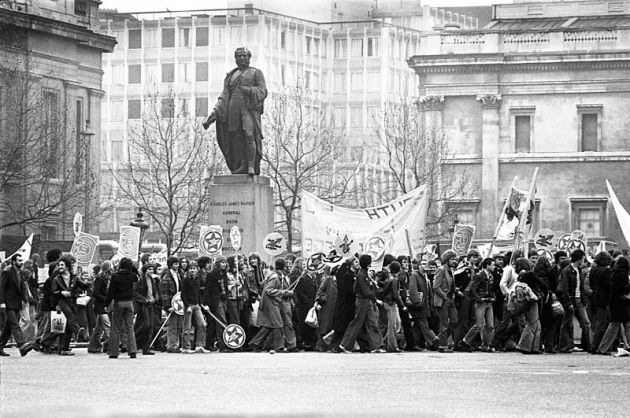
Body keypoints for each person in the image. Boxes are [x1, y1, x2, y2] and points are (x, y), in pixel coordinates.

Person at [202, 47, 267, 175]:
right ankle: (241, 164)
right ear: (235, 58)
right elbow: (224, 97)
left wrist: (248, 90)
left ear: (249, 57)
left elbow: (263, 91)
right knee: (235, 137)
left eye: (244, 56)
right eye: (239, 56)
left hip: (247, 108)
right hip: (233, 109)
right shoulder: (231, 75)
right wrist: (212, 116)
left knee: (249, 135)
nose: (242, 58)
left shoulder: (256, 73)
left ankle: (250, 165)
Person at [339, 254, 385, 354]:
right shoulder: (361, 275)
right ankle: (345, 345)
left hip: (366, 301)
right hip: (362, 300)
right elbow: (365, 290)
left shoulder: (363, 274)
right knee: (357, 322)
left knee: (372, 322)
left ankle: (376, 346)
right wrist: (375, 299)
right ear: (368, 263)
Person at [249, 258, 293, 352]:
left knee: (268, 325)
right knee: (278, 324)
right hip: (271, 303)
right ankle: (278, 347)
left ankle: (255, 343)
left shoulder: (274, 274)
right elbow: (269, 290)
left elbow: (263, 285)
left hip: (270, 302)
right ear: (284, 267)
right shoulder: (275, 277)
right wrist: (284, 292)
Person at [558, 249, 592, 353]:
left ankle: (587, 345)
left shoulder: (579, 270)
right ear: (579, 259)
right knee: (567, 324)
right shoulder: (567, 270)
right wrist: (568, 303)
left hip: (579, 300)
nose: (583, 260)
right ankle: (565, 346)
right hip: (572, 300)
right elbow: (564, 288)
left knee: (585, 322)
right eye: (582, 258)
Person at [0, 254, 34, 357]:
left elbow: (21, 287)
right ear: (14, 261)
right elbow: (1, 288)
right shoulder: (7, 272)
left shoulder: (20, 273)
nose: (21, 262)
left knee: (8, 328)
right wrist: (2, 302)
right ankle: (22, 345)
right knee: (15, 324)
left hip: (17, 303)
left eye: (22, 260)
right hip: (8, 303)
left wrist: (25, 299)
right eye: (19, 260)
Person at [461, 257, 496, 352]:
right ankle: (465, 341)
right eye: (493, 265)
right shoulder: (480, 275)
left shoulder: (490, 275)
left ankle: (485, 345)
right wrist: (479, 298)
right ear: (487, 265)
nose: (494, 267)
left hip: (488, 301)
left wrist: (493, 297)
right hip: (481, 302)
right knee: (478, 325)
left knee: (490, 325)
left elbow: (491, 289)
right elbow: (473, 288)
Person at [596, 256, 630, 354]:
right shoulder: (622, 274)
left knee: (617, 326)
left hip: (615, 303)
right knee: (617, 326)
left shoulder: (613, 273)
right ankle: (603, 348)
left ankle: (603, 348)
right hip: (621, 304)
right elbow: (622, 289)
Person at [105, 257, 138, 359]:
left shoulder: (115, 276)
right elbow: (137, 278)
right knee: (130, 327)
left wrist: (106, 304)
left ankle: (114, 352)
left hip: (118, 302)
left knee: (116, 328)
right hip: (129, 303)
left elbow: (111, 292)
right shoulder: (133, 276)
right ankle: (132, 351)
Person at [513, 259, 546, 354]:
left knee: (535, 323)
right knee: (533, 323)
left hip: (526, 300)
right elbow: (541, 284)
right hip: (533, 299)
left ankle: (534, 347)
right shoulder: (530, 274)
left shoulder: (521, 275)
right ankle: (524, 346)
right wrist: (545, 293)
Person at [408, 257, 439, 351]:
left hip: (425, 305)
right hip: (418, 305)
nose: (426, 266)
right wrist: (416, 302)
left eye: (427, 264)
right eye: (423, 264)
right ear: (419, 266)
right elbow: (412, 289)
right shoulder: (415, 275)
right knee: (424, 324)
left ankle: (412, 344)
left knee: (417, 326)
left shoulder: (426, 276)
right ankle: (434, 340)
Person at [433, 250, 459, 353]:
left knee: (454, 321)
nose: (454, 261)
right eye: (452, 259)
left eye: (454, 259)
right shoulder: (441, 270)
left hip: (451, 298)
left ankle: (438, 340)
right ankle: (443, 346)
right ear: (447, 260)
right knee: (444, 324)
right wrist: (444, 297)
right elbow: (435, 286)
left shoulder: (450, 270)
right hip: (444, 299)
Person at [377, 261, 405, 352]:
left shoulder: (388, 279)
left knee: (384, 324)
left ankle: (380, 343)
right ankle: (392, 346)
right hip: (391, 303)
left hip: (384, 303)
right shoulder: (394, 280)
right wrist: (402, 305)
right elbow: (395, 295)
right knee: (392, 325)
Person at [588, 251, 613, 353]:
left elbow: (591, 284)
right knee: (603, 324)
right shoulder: (606, 271)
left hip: (595, 297)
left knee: (598, 323)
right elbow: (608, 286)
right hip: (604, 299)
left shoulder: (593, 270)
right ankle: (598, 346)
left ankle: (594, 346)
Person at [181, 261, 208, 354]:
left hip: (196, 305)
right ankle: (186, 347)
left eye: (194, 268)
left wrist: (201, 304)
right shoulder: (185, 280)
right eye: (191, 268)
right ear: (188, 270)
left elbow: (198, 293)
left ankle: (200, 345)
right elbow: (183, 294)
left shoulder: (197, 279)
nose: (193, 270)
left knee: (202, 324)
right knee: (187, 327)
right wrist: (187, 306)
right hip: (189, 305)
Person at [204, 256, 229, 351]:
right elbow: (207, 290)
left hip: (223, 299)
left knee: (216, 323)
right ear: (218, 264)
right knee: (222, 322)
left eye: (225, 262)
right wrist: (206, 304)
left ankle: (211, 344)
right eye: (222, 262)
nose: (224, 264)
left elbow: (225, 287)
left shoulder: (224, 274)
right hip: (215, 301)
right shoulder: (212, 274)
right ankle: (223, 345)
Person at [88, 260, 113, 354]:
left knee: (99, 328)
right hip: (101, 306)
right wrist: (106, 298)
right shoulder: (100, 278)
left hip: (106, 305)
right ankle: (111, 345)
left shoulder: (110, 277)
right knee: (108, 326)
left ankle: (94, 346)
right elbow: (95, 293)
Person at [160, 256, 183, 353]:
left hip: (178, 303)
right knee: (172, 326)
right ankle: (171, 346)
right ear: (170, 265)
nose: (177, 265)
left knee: (179, 325)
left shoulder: (178, 275)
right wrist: (168, 307)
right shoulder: (167, 277)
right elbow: (164, 293)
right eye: (175, 264)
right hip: (170, 305)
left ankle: (175, 344)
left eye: (178, 263)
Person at [134, 263, 158, 355]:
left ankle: (146, 348)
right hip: (143, 305)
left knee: (151, 326)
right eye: (149, 269)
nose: (151, 271)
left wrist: (155, 298)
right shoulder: (140, 279)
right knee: (145, 325)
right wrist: (144, 300)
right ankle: (134, 341)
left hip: (151, 305)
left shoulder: (152, 280)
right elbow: (135, 292)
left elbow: (154, 292)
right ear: (145, 270)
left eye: (152, 269)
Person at [314, 265, 338, 352]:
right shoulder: (328, 279)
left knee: (331, 325)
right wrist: (317, 302)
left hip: (334, 306)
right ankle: (320, 345)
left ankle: (327, 345)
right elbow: (320, 291)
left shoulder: (338, 280)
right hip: (326, 306)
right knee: (324, 326)